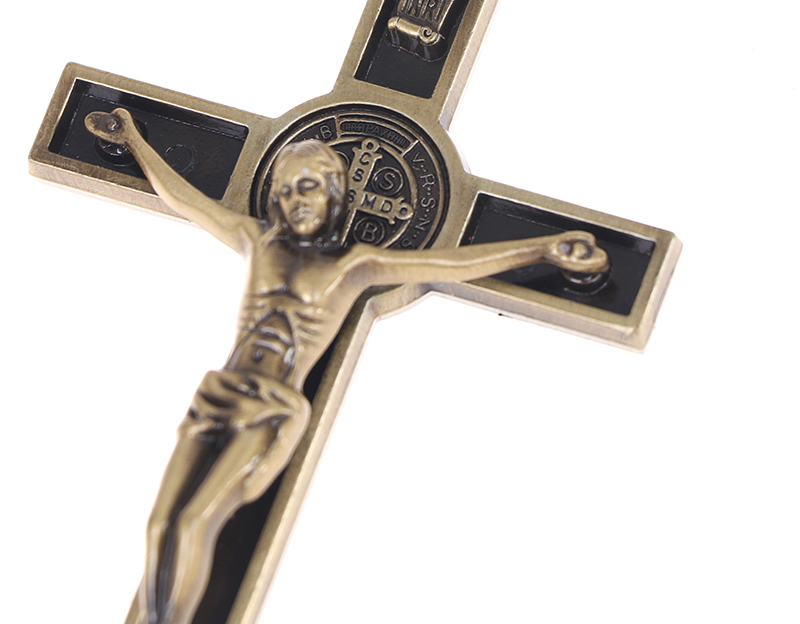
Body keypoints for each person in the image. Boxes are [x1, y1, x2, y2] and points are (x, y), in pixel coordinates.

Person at [85, 108, 609, 624]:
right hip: (219, 394)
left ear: (335, 192)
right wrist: (133, 140)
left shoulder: (353, 265)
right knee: (159, 526)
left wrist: (541, 249)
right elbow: (185, 198)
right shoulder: (257, 240)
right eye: (286, 190)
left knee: (197, 523)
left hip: (271, 408)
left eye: (309, 187)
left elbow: (449, 263)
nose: (296, 200)